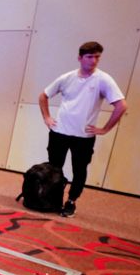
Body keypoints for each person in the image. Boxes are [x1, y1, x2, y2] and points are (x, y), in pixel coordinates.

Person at [38, 41, 128, 217]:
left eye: (97, 57)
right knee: (54, 168)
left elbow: (121, 106)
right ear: (80, 58)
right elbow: (43, 96)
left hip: (83, 137)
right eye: (89, 57)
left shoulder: (103, 79)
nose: (93, 61)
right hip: (59, 133)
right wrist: (47, 118)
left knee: (79, 170)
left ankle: (71, 201)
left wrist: (105, 129)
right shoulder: (67, 78)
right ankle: (52, 198)